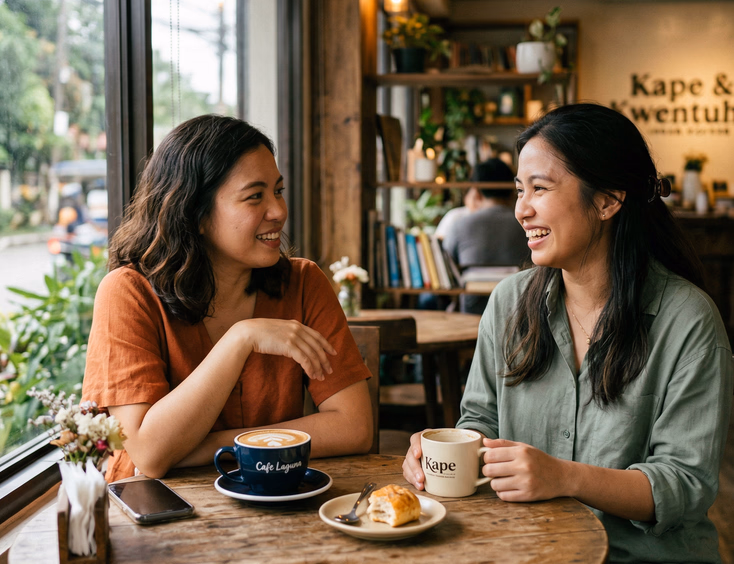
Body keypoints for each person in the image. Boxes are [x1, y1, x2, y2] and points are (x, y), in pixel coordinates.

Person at [403, 103, 733, 563]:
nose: (521, 209)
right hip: (529, 550)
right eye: (520, 190)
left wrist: (565, 477)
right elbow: (480, 422)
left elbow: (684, 482)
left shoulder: (688, 321)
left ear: (607, 201)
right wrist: (442, 449)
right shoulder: (508, 303)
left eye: (540, 188)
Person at [82, 115, 373, 482]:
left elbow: (355, 427)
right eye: (255, 196)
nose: (279, 212)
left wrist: (206, 448)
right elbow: (151, 457)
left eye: (278, 191)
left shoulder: (303, 282)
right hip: (155, 515)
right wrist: (241, 339)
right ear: (196, 213)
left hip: (272, 504)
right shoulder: (126, 292)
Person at [441, 158, 529, 314]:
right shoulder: (527, 224)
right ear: (512, 189)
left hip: (471, 313)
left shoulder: (460, 225)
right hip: (519, 311)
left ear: (476, 191)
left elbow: (446, 265)